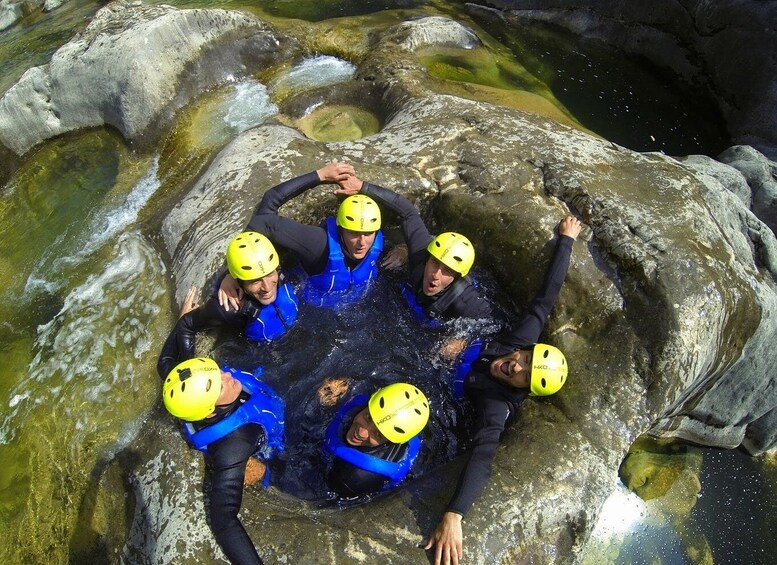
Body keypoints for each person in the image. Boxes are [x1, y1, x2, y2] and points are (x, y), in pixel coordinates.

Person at [424, 215, 582, 565]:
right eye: (525, 358)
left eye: (522, 375)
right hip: (450, 349)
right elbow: (545, 298)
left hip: (443, 394)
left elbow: (483, 454)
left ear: (522, 389)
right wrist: (566, 241)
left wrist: (454, 514)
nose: (515, 365)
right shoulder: (518, 340)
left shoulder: (498, 405)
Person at [335, 174, 506, 356]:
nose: (435, 274)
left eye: (447, 271)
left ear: (457, 277)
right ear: (427, 258)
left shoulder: (467, 302)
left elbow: (499, 324)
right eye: (434, 263)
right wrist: (362, 186)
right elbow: (407, 212)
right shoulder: (420, 255)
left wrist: (464, 340)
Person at [160, 357, 285, 565]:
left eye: (217, 372)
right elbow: (224, 520)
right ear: (210, 412)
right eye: (218, 385)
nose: (227, 375)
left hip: (259, 397)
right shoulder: (233, 446)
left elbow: (167, 362)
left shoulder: (199, 387)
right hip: (275, 445)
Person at [220, 162, 384, 310]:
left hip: (360, 306)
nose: (362, 242)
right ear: (341, 228)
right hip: (313, 310)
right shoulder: (318, 244)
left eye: (368, 233)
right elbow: (265, 218)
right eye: (354, 233)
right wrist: (233, 273)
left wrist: (402, 250)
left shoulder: (376, 236)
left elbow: (407, 215)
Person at [156, 231, 299, 377]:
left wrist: (228, 275)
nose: (268, 288)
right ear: (240, 281)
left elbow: (265, 220)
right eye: (255, 281)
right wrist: (192, 371)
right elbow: (186, 324)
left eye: (270, 274)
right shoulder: (232, 307)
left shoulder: (270, 262)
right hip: (268, 354)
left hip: (299, 331)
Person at [323, 382, 430, 499]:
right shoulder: (365, 404)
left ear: (389, 442)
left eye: (378, 434)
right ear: (367, 405)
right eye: (368, 417)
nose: (361, 433)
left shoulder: (355, 478)